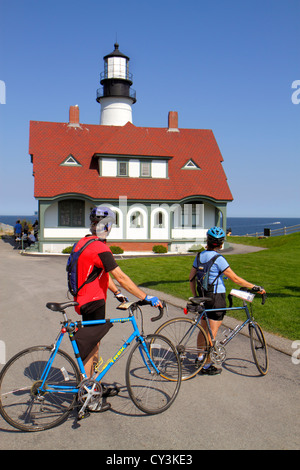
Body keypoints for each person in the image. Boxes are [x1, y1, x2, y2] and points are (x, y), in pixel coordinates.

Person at [72, 206, 162, 411]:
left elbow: (98, 273)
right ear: (108, 226)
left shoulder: (83, 242)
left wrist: (115, 292)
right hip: (93, 301)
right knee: (91, 347)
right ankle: (86, 396)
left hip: (83, 299)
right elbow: (120, 277)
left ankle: (91, 385)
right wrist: (146, 297)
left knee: (93, 344)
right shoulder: (101, 248)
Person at [189, 226, 265, 376]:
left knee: (203, 329)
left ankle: (200, 358)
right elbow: (235, 279)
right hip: (217, 298)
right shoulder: (219, 259)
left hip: (203, 297)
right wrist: (255, 287)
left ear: (208, 241)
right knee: (212, 334)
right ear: (221, 243)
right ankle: (207, 365)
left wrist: (195, 296)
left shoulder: (199, 256)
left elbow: (191, 278)